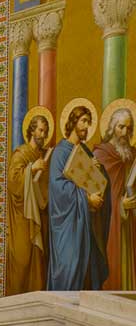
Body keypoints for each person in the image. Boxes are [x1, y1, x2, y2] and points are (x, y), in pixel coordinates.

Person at [47, 105, 110, 290]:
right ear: (73, 121)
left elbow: (96, 181)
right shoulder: (60, 152)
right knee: (68, 265)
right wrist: (86, 199)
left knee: (86, 268)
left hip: (83, 223)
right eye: (83, 121)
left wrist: (98, 171)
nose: (86, 127)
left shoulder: (85, 151)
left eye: (89, 123)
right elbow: (58, 187)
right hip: (66, 224)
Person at [7, 113, 51, 294]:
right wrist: (32, 169)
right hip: (22, 216)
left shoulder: (43, 155)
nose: (43, 134)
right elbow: (13, 182)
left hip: (39, 213)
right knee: (22, 259)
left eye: (45, 131)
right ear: (32, 130)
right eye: (40, 130)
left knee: (38, 259)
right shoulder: (21, 153)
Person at [94, 106, 136, 289]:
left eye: (128, 128)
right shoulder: (100, 155)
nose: (124, 133)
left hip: (130, 223)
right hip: (109, 224)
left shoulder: (132, 155)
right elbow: (95, 194)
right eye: (121, 127)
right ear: (112, 127)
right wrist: (120, 205)